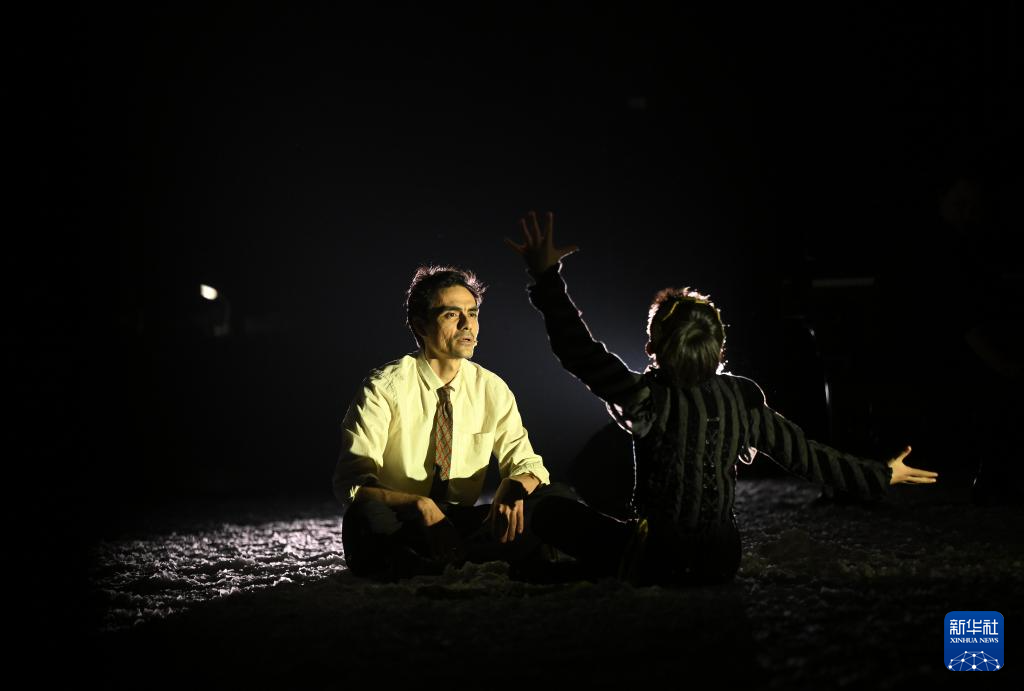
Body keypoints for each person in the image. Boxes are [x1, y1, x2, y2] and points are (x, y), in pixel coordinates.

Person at [507, 211, 938, 586]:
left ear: (652, 347)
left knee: (549, 508)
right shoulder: (743, 400)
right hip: (720, 562)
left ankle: (604, 568)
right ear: (720, 349)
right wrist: (881, 474)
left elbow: (579, 351)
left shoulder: (645, 397)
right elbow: (808, 457)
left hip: (659, 556)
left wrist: (546, 278)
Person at [333, 265, 573, 580]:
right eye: (451, 315)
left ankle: (444, 560)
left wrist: (515, 484)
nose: (467, 325)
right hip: (402, 518)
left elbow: (528, 464)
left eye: (472, 314)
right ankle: (461, 559)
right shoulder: (384, 387)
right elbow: (354, 483)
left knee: (557, 498)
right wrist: (420, 504)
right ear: (420, 325)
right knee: (365, 514)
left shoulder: (491, 388)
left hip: (460, 521)